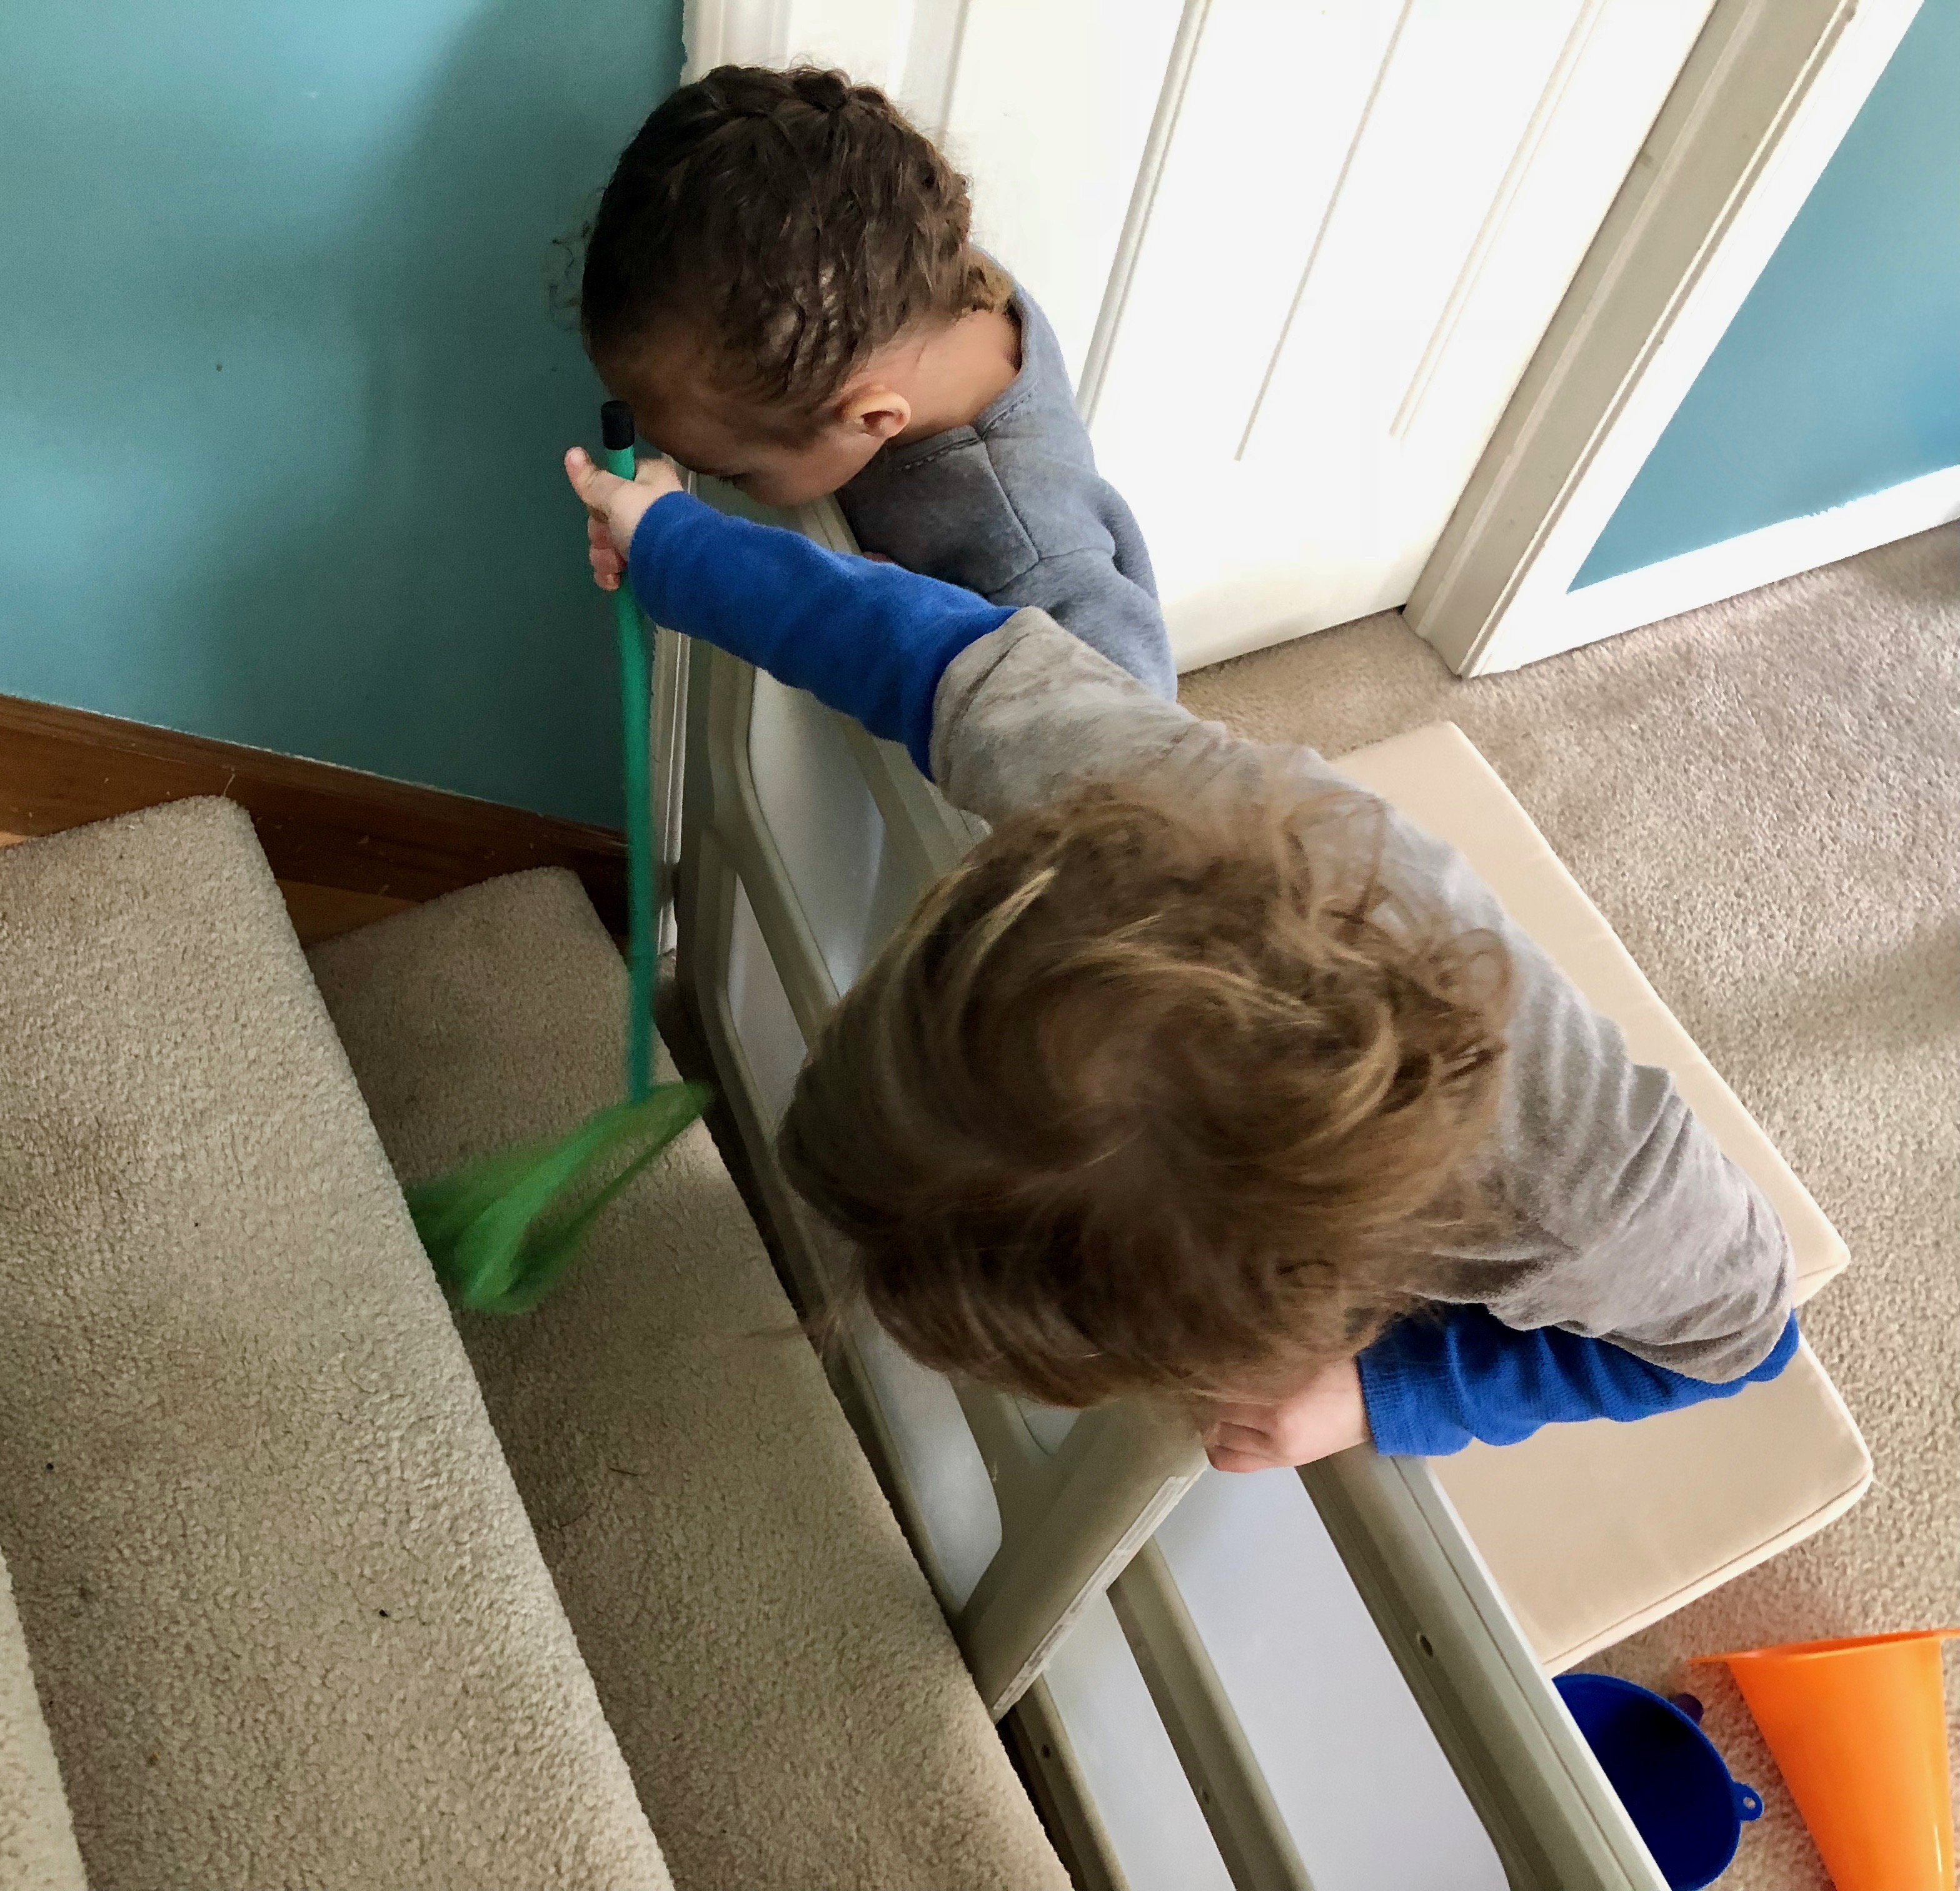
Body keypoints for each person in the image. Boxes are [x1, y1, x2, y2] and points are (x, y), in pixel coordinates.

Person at [560, 446, 1801, 1471]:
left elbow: (1748, 1340)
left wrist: (1385, 1395)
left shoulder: (1586, 1204)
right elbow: (922, 654)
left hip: (1557, 1189)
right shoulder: (1127, 790)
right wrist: (676, 546)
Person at [577, 63, 1173, 698]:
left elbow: (1134, 746)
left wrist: (913, 615)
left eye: (734, 474)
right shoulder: (918, 284)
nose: (726, 485)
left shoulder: (1032, 549)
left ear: (870, 420)